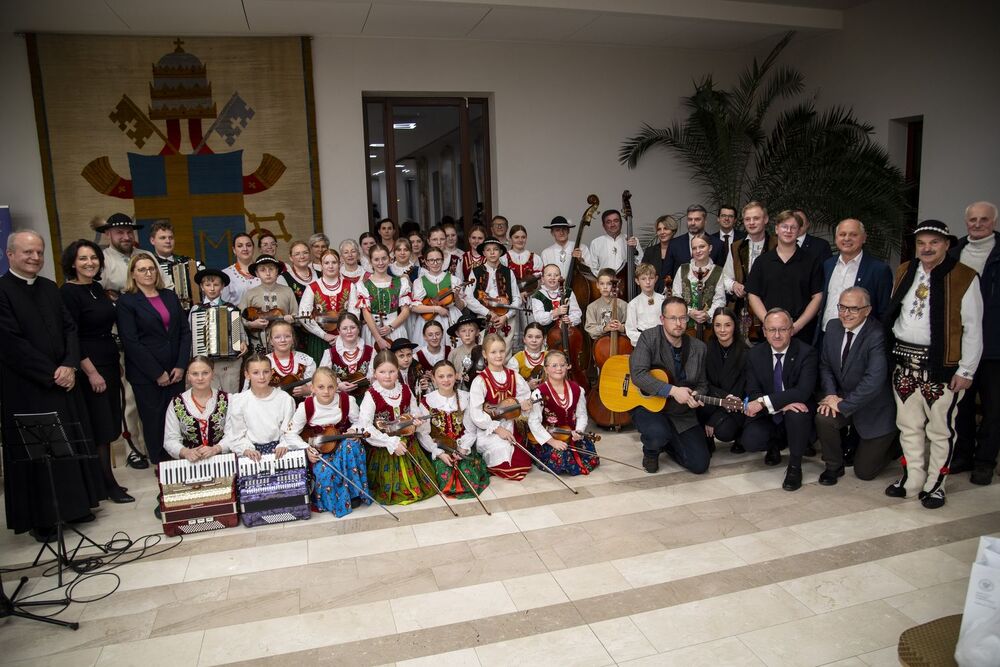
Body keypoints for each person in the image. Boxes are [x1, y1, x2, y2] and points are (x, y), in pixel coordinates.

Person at [1, 231, 106, 540]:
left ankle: (75, 507)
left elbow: (70, 329)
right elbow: (9, 343)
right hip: (28, 388)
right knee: (39, 453)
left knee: (69, 445)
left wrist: (70, 364)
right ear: (10, 255)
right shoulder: (2, 291)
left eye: (39, 252)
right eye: (27, 252)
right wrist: (52, 372)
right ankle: (43, 518)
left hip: (64, 379)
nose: (34, 257)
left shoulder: (49, 288)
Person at [883, 220, 982, 508]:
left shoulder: (965, 276)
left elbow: (973, 329)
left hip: (942, 367)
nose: (927, 248)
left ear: (947, 244)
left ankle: (936, 484)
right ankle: (912, 478)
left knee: (940, 429)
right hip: (903, 362)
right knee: (908, 425)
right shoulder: (905, 270)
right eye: (921, 243)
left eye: (934, 242)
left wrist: (966, 370)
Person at [60, 239, 133, 503]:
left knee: (110, 422)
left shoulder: (96, 289)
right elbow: (72, 336)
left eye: (93, 258)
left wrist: (116, 363)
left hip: (108, 360)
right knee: (100, 427)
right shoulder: (67, 293)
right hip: (90, 364)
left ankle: (105, 481)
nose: (89, 263)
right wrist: (91, 372)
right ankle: (106, 485)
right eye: (83, 258)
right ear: (72, 263)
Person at [815, 287, 898, 485]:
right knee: (824, 416)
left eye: (853, 309)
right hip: (843, 398)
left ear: (867, 310)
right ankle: (833, 466)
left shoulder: (876, 334)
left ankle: (895, 445)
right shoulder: (833, 327)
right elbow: (825, 366)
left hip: (874, 409)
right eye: (842, 307)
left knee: (864, 472)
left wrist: (843, 405)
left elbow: (874, 380)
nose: (845, 313)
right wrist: (831, 396)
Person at [117, 254, 191, 467]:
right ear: (133, 273)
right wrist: (157, 373)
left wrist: (180, 365)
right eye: (142, 269)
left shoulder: (168, 295)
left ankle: (179, 462)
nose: (148, 273)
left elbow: (184, 333)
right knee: (154, 421)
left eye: (151, 268)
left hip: (175, 370)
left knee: (176, 419)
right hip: (146, 375)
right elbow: (131, 342)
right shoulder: (127, 301)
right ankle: (161, 466)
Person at [628, 297, 711, 474]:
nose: (679, 323)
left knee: (700, 464)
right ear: (662, 319)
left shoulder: (699, 347)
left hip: (681, 412)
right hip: (649, 407)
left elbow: (703, 383)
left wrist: (697, 394)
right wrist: (672, 390)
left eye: (683, 318)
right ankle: (652, 450)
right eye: (673, 318)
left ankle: (667, 443)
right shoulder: (648, 338)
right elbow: (638, 374)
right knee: (658, 434)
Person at [742, 308, 818, 491]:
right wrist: (778, 404)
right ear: (764, 332)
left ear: (791, 330)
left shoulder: (807, 353)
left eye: (782, 329)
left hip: (797, 414)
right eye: (771, 330)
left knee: (796, 412)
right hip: (769, 415)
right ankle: (774, 446)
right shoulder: (754, 354)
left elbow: (803, 391)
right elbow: (752, 391)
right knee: (750, 440)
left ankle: (794, 466)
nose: (777, 335)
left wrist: (765, 402)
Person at [951, 201, 1000, 485]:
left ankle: (984, 461)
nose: (978, 224)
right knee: (962, 405)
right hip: (961, 344)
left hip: (995, 347)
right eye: (972, 220)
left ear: (993, 221)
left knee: (994, 409)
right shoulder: (955, 252)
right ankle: (962, 455)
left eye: (984, 219)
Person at [284, 367, 370, 517]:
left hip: (342, 447)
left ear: (337, 387)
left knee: (352, 444)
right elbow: (290, 434)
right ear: (312, 388)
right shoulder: (306, 406)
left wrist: (354, 430)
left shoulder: (347, 401)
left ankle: (354, 493)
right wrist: (306, 449)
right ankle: (334, 501)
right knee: (325, 472)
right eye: (321, 387)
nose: (326, 391)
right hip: (321, 449)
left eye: (331, 387)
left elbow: (359, 422)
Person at [358, 350, 437, 505]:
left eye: (392, 371)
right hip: (384, 447)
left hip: (408, 441)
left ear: (398, 371)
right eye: (382, 372)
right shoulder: (372, 395)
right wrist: (390, 443)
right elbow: (366, 426)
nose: (387, 376)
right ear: (375, 373)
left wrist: (416, 421)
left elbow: (415, 412)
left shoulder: (406, 390)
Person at [746, 210, 824, 343]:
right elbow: (753, 295)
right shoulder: (762, 262)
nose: (788, 230)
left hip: (802, 332)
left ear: (799, 231)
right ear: (776, 229)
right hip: (769, 333)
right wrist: (769, 323)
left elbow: (817, 296)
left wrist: (798, 325)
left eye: (793, 227)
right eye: (784, 226)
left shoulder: (811, 261)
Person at [416, 360, 490, 498]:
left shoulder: (465, 397)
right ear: (433, 378)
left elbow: (470, 430)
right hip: (439, 447)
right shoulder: (427, 401)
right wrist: (437, 452)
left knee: (468, 474)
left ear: (456, 376)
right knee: (444, 473)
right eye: (441, 376)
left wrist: (463, 448)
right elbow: (423, 434)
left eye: (449, 375)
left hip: (461, 446)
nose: (446, 380)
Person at [469, 334, 535, 480]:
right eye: (493, 352)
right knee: (504, 451)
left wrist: (525, 404)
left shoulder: (514, 376)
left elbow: (525, 397)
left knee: (520, 459)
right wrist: (498, 429)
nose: (498, 356)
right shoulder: (480, 381)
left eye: (501, 351)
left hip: (512, 424)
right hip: (490, 429)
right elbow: (476, 414)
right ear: (485, 354)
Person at [816, 219, 893, 342]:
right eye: (842, 234)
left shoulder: (879, 269)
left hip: (859, 341)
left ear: (864, 238)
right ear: (836, 238)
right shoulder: (828, 265)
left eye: (853, 234)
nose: (847, 238)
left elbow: (884, 311)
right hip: (826, 336)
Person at [527, 350, 599, 475]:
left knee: (589, 456)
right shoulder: (539, 393)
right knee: (561, 458)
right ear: (546, 369)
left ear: (567, 366)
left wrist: (579, 430)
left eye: (562, 365)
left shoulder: (577, 390)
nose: (559, 368)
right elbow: (534, 421)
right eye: (554, 365)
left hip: (570, 433)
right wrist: (552, 441)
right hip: (550, 436)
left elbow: (581, 415)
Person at [219, 354, 296, 461]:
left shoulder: (285, 399)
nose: (262, 377)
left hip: (280, 452)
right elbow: (236, 435)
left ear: (271, 372)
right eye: (255, 373)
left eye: (266, 372)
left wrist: (284, 445)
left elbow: (289, 430)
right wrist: (245, 449)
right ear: (247, 375)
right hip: (251, 453)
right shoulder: (239, 401)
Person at [724, 201, 775, 343]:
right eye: (747, 219)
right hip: (742, 310)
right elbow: (725, 277)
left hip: (769, 309)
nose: (751, 222)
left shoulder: (776, 245)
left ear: (765, 219)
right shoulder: (736, 246)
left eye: (756, 218)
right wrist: (733, 285)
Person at [188, 268, 246, 393]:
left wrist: (243, 343)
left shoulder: (231, 308)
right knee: (209, 395)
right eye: (208, 285)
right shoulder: (196, 309)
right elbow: (190, 335)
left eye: (216, 285)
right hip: (205, 363)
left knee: (230, 396)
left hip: (229, 364)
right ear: (202, 287)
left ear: (222, 287)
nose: (212, 288)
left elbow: (241, 333)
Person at [163, 356, 229, 461]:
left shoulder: (227, 399)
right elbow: (170, 439)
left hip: (220, 461)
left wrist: (216, 449)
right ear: (188, 375)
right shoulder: (176, 403)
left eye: (205, 373)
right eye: (195, 374)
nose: (200, 378)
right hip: (190, 463)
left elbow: (234, 434)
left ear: (212, 374)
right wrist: (185, 452)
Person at [699, 309, 747, 452]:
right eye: (717, 325)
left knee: (724, 432)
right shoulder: (706, 349)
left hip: (736, 405)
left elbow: (743, 389)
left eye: (727, 325)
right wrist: (723, 397)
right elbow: (704, 382)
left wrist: (715, 420)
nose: (722, 330)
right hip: (714, 400)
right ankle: (706, 438)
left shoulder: (746, 352)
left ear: (735, 326)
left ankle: (741, 435)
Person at [465, 236, 523, 352]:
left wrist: (505, 317)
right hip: (484, 316)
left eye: (495, 249)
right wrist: (487, 313)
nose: (492, 253)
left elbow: (517, 299)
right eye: (488, 250)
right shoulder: (476, 272)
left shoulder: (508, 272)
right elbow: (468, 298)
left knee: (505, 351)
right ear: (483, 252)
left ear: (500, 252)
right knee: (485, 351)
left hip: (506, 318)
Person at [299, 249, 357, 364]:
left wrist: (342, 335)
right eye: (326, 263)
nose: (330, 266)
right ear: (321, 265)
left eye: (334, 262)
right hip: (320, 339)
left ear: (340, 264)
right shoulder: (312, 287)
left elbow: (354, 314)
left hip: (346, 338)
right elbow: (304, 316)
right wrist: (324, 335)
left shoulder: (349, 285)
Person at [239, 254, 299, 352]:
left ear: (277, 272)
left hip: (283, 341)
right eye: (262, 270)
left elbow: (295, 314)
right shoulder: (250, 293)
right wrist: (251, 324)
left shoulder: (287, 291)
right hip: (258, 342)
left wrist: (292, 319)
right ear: (257, 273)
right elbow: (240, 317)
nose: (267, 273)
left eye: (271, 269)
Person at [672, 235, 726, 340]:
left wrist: (708, 314)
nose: (698, 251)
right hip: (685, 326)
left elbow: (720, 299)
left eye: (702, 247)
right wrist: (689, 312)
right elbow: (676, 296)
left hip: (709, 328)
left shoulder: (718, 271)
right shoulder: (683, 269)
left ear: (710, 248)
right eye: (694, 248)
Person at [410, 246, 463, 346]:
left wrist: (456, 296)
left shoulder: (454, 280)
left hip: (451, 317)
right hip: (428, 320)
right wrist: (437, 309)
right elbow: (414, 308)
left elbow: (460, 307)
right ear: (426, 262)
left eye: (438, 260)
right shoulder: (419, 282)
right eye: (431, 260)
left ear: (443, 260)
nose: (435, 263)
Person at [319, 312, 374, 401]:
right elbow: (322, 378)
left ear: (359, 329)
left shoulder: (370, 351)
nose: (349, 331)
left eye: (353, 327)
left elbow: (374, 377)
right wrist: (338, 386)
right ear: (339, 331)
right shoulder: (329, 354)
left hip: (366, 399)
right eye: (344, 328)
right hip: (339, 400)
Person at [255, 320, 315, 401]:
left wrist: (308, 391)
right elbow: (251, 391)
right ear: (271, 341)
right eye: (277, 337)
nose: (283, 340)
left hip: (300, 408)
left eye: (287, 336)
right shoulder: (262, 362)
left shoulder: (306, 361)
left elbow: (317, 388)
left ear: (293, 339)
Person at [96, 212, 152, 296]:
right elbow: (95, 293)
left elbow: (166, 285)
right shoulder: (102, 260)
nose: (126, 237)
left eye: (129, 232)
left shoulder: (148, 255)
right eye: (120, 232)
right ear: (108, 234)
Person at [663, 204, 725, 279]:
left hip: (709, 289)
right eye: (690, 219)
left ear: (705, 221)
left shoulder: (718, 244)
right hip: (679, 289)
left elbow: (721, 275)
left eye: (697, 219)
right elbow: (667, 274)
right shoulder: (674, 244)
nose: (692, 223)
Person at [148, 220, 204, 299]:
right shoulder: (149, 263)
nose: (168, 241)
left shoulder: (186, 261)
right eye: (163, 238)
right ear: (152, 240)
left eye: (171, 238)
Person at [530, 263, 582, 334]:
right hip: (547, 335)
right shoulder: (538, 296)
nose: (553, 278)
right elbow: (539, 318)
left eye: (556, 275)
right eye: (549, 275)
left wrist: (570, 319)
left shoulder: (568, 292)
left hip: (568, 333)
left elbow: (577, 312)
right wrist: (555, 313)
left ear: (560, 278)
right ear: (542, 279)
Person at [625, 263, 665, 345]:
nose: (648, 282)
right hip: (643, 342)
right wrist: (647, 340)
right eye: (643, 279)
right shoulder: (633, 304)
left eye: (651, 278)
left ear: (656, 279)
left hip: (662, 341)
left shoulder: (663, 300)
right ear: (637, 281)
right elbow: (630, 330)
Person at [584, 268, 629, 342]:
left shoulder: (623, 305)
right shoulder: (591, 307)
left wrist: (621, 327)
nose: (605, 287)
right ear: (597, 285)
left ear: (615, 285)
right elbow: (590, 329)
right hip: (600, 347)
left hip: (620, 343)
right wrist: (605, 328)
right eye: (602, 284)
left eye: (609, 284)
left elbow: (631, 326)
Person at [590, 209, 639, 274]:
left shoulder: (633, 240)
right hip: (605, 282)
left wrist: (634, 250)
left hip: (627, 281)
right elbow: (593, 268)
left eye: (616, 221)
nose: (612, 224)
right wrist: (604, 280)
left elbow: (641, 265)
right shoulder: (595, 243)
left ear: (621, 223)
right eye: (608, 222)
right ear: (604, 226)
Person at [640, 215, 678, 294]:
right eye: (659, 229)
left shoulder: (680, 250)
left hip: (675, 294)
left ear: (673, 231)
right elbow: (642, 273)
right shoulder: (650, 251)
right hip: (653, 294)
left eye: (666, 229)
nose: (662, 232)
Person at [448, 310, 483, 389]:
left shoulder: (483, 352)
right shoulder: (453, 353)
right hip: (458, 392)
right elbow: (448, 373)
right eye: (463, 331)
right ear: (457, 334)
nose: (467, 334)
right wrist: (457, 376)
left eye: (471, 330)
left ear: (477, 332)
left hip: (478, 391)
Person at [221, 233, 260, 305]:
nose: (245, 249)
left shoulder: (264, 271)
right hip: (237, 315)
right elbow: (223, 304)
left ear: (253, 248)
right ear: (234, 250)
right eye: (240, 246)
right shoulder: (226, 274)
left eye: (248, 245)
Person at [507, 322, 547, 390]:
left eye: (538, 337)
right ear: (524, 339)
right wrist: (527, 386)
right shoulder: (516, 359)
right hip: (524, 397)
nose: (534, 340)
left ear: (543, 339)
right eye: (530, 336)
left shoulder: (550, 357)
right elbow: (511, 384)